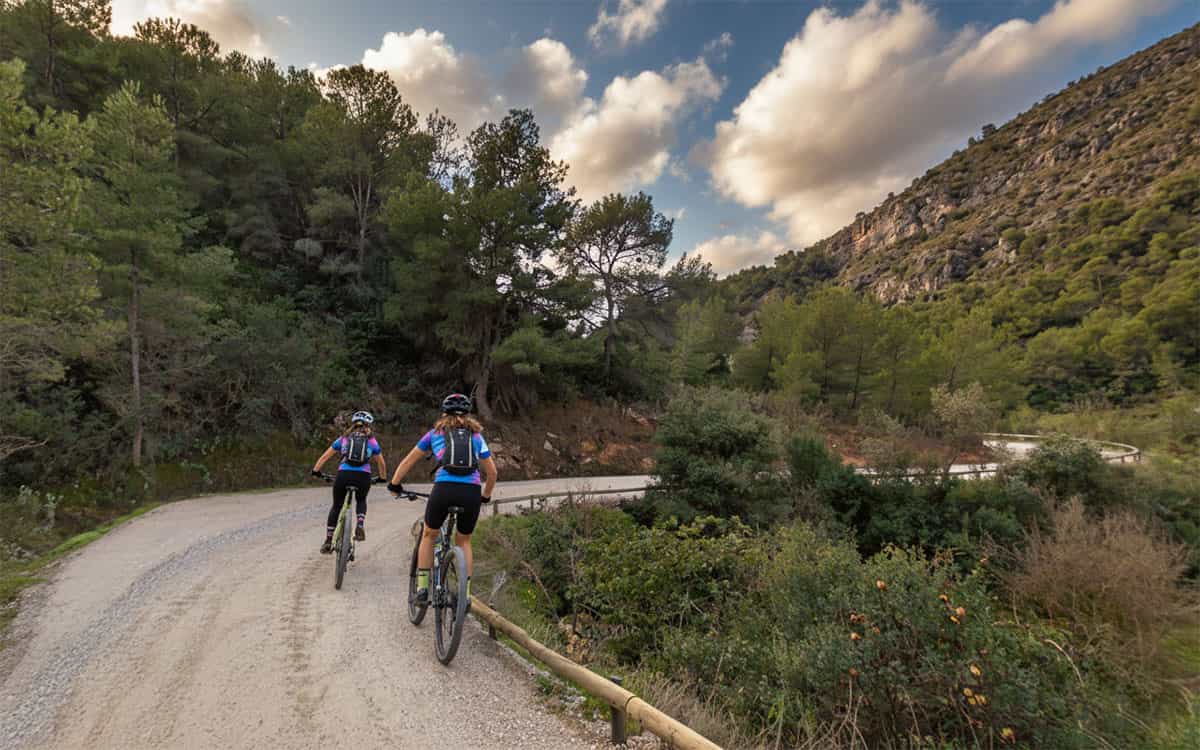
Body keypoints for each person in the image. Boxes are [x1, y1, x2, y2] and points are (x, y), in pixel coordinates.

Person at [388, 394, 497, 604]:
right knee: (464, 540)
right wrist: (485, 496)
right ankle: (465, 595)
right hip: (471, 493)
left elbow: (409, 461)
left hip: (444, 489)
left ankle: (422, 589)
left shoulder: (434, 434)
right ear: (468, 415)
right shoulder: (476, 436)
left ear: (443, 414)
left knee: (429, 534)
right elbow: (492, 473)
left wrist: (394, 484)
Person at [311, 411, 386, 553]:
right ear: (369, 425)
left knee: (337, 506)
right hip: (363, 476)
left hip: (343, 474)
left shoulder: (344, 438)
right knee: (361, 499)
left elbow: (325, 456)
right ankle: (360, 524)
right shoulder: (371, 441)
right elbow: (381, 463)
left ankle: (328, 540)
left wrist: (316, 471)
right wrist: (382, 477)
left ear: (353, 424)